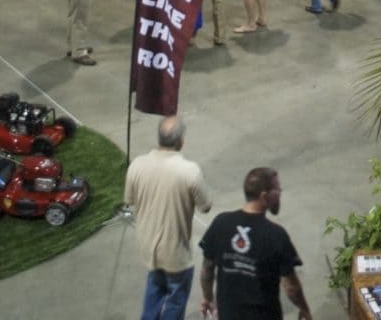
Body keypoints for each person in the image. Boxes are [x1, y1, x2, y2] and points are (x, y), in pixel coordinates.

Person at [125, 116, 213, 320]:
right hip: (176, 254)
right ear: (181, 141)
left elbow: (129, 198)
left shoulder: (137, 165)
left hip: (149, 249)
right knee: (175, 301)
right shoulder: (189, 171)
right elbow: (206, 206)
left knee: (154, 292)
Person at [199, 167, 313, 320]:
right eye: (277, 189)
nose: (280, 192)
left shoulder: (221, 223)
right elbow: (291, 287)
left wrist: (208, 298)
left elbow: (207, 269)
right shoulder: (276, 235)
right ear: (264, 196)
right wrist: (304, 309)